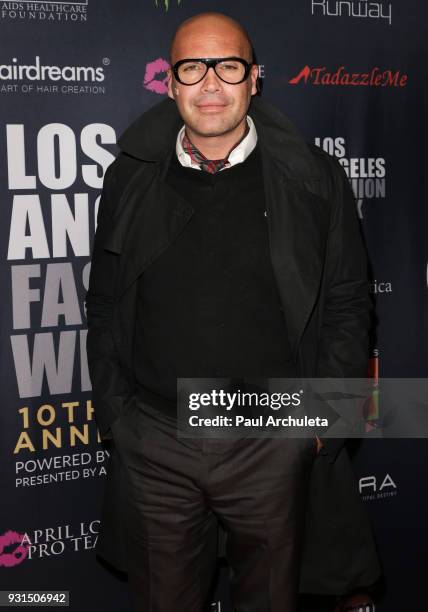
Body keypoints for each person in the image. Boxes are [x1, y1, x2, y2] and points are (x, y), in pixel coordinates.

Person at [86, 11, 381, 612]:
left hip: (271, 434)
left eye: (229, 67)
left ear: (254, 79)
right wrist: (119, 416)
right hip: (157, 439)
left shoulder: (314, 176)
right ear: (169, 83)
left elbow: (349, 300)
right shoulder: (130, 176)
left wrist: (323, 425)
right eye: (193, 68)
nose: (211, 84)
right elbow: (107, 299)